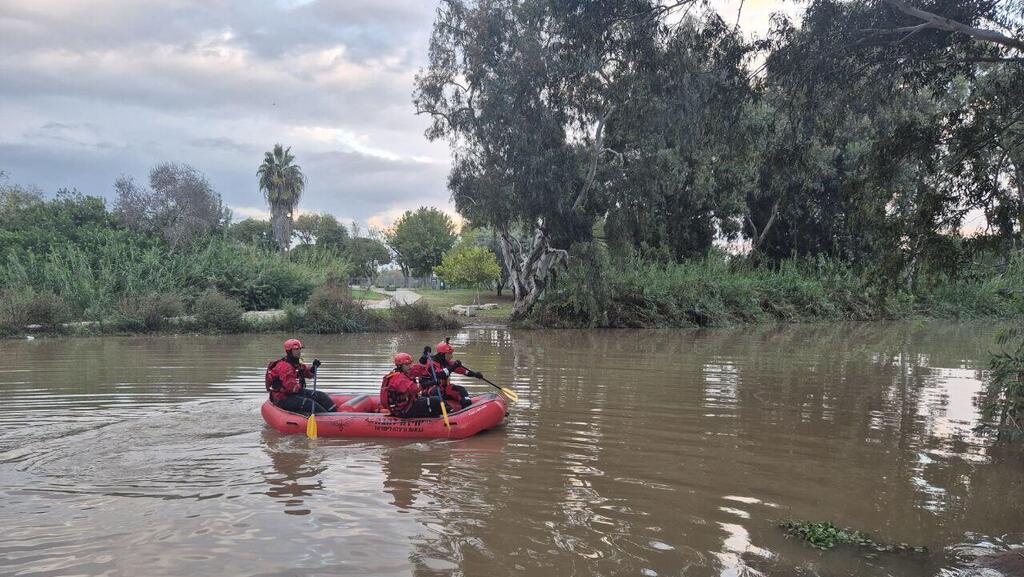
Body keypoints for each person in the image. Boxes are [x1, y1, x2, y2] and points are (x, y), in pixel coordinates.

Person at [265, 338, 336, 414]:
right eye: (296, 349)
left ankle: (337, 414)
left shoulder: (296, 363)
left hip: (293, 394)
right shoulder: (284, 366)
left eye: (299, 349)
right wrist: (308, 394)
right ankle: (329, 420)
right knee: (310, 403)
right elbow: (291, 387)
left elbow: (307, 372)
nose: (299, 351)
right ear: (289, 351)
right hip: (282, 398)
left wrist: (313, 367)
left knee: (321, 395)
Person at [417, 340, 483, 410]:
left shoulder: (448, 363)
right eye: (449, 354)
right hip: (430, 390)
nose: (451, 356)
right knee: (435, 390)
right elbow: (439, 375)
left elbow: (463, 371)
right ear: (442, 354)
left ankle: (467, 407)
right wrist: (453, 367)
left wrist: (475, 374)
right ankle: (447, 409)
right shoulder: (431, 364)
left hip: (444, 389)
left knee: (460, 389)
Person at [380, 352, 445, 418]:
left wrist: (423, 359)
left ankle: (441, 413)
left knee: (431, 398)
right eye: (407, 364)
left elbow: (417, 370)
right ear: (400, 365)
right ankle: (435, 421)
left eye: (410, 363)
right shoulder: (398, 378)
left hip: (407, 404)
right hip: (404, 409)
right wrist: (430, 383)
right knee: (436, 400)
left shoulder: (402, 372)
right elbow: (414, 389)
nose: (410, 366)